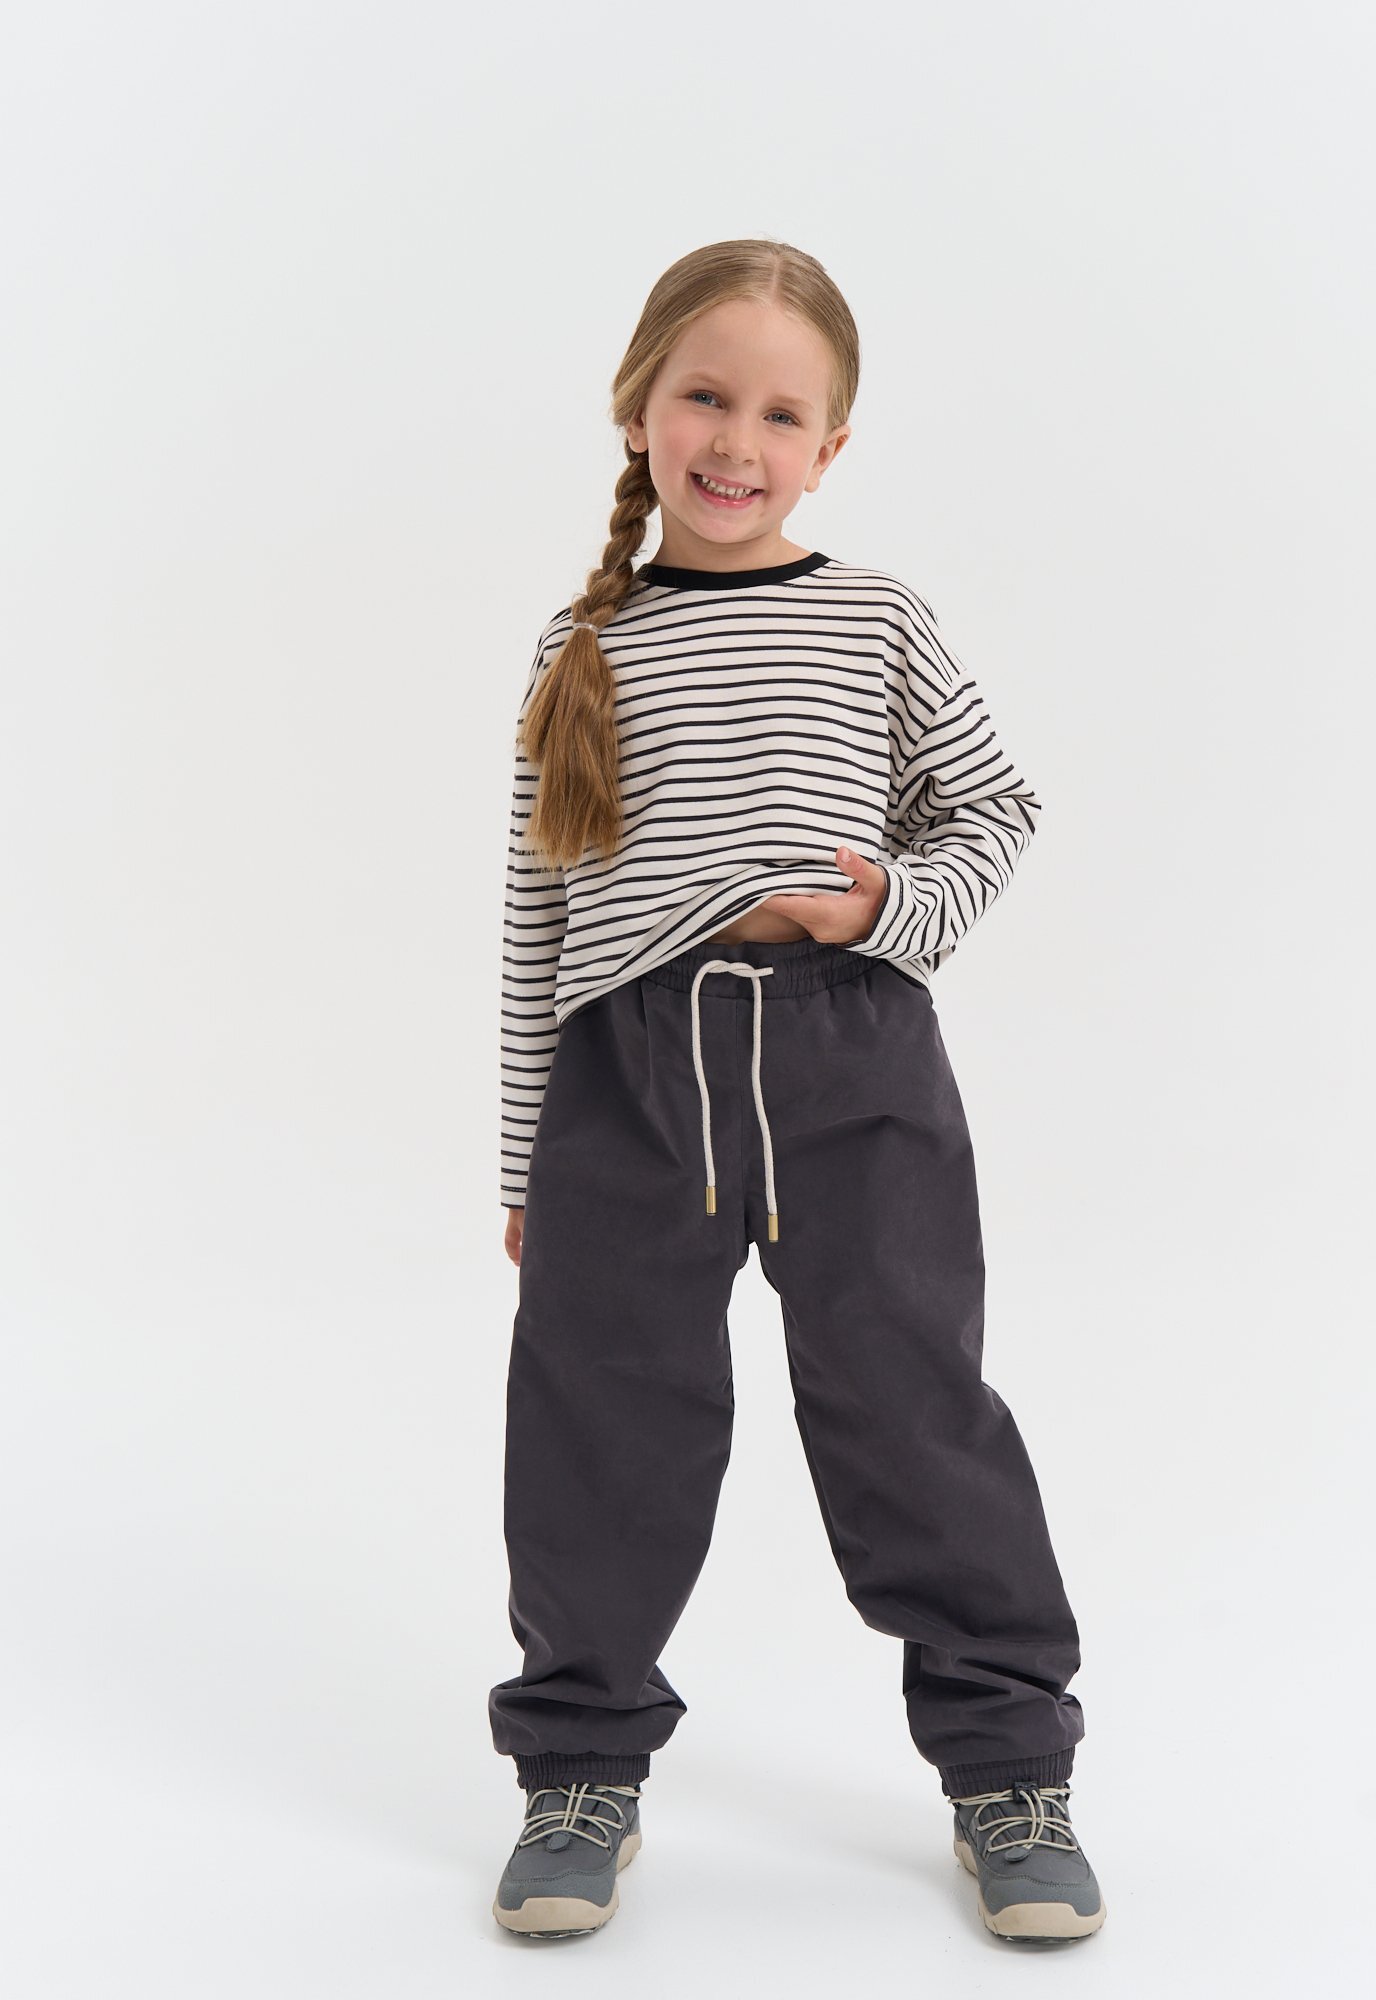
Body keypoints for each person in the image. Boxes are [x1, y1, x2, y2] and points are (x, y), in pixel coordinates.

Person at [488, 237, 1105, 1945]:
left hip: (852, 1062)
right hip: (632, 1082)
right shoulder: (582, 642)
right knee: (600, 1423)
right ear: (640, 408)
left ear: (829, 448)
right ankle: (578, 1768)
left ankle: (1009, 1771)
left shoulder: (876, 616)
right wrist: (525, 1155)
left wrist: (887, 909)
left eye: (780, 415)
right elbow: (539, 915)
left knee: (913, 1414)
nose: (735, 442)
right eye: (705, 397)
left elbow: (994, 812)